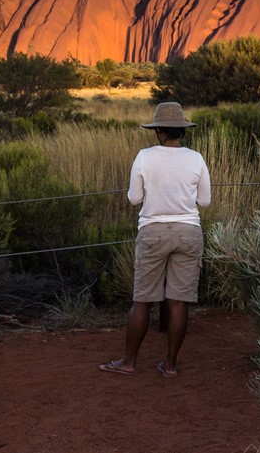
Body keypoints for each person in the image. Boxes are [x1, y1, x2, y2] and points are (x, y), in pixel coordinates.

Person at [99, 102, 211, 378]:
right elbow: (205, 201)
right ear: (181, 130)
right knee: (178, 301)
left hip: (153, 232)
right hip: (189, 233)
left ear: (159, 129)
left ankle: (128, 362)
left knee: (143, 301)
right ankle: (170, 365)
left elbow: (135, 198)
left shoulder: (144, 157)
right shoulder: (196, 158)